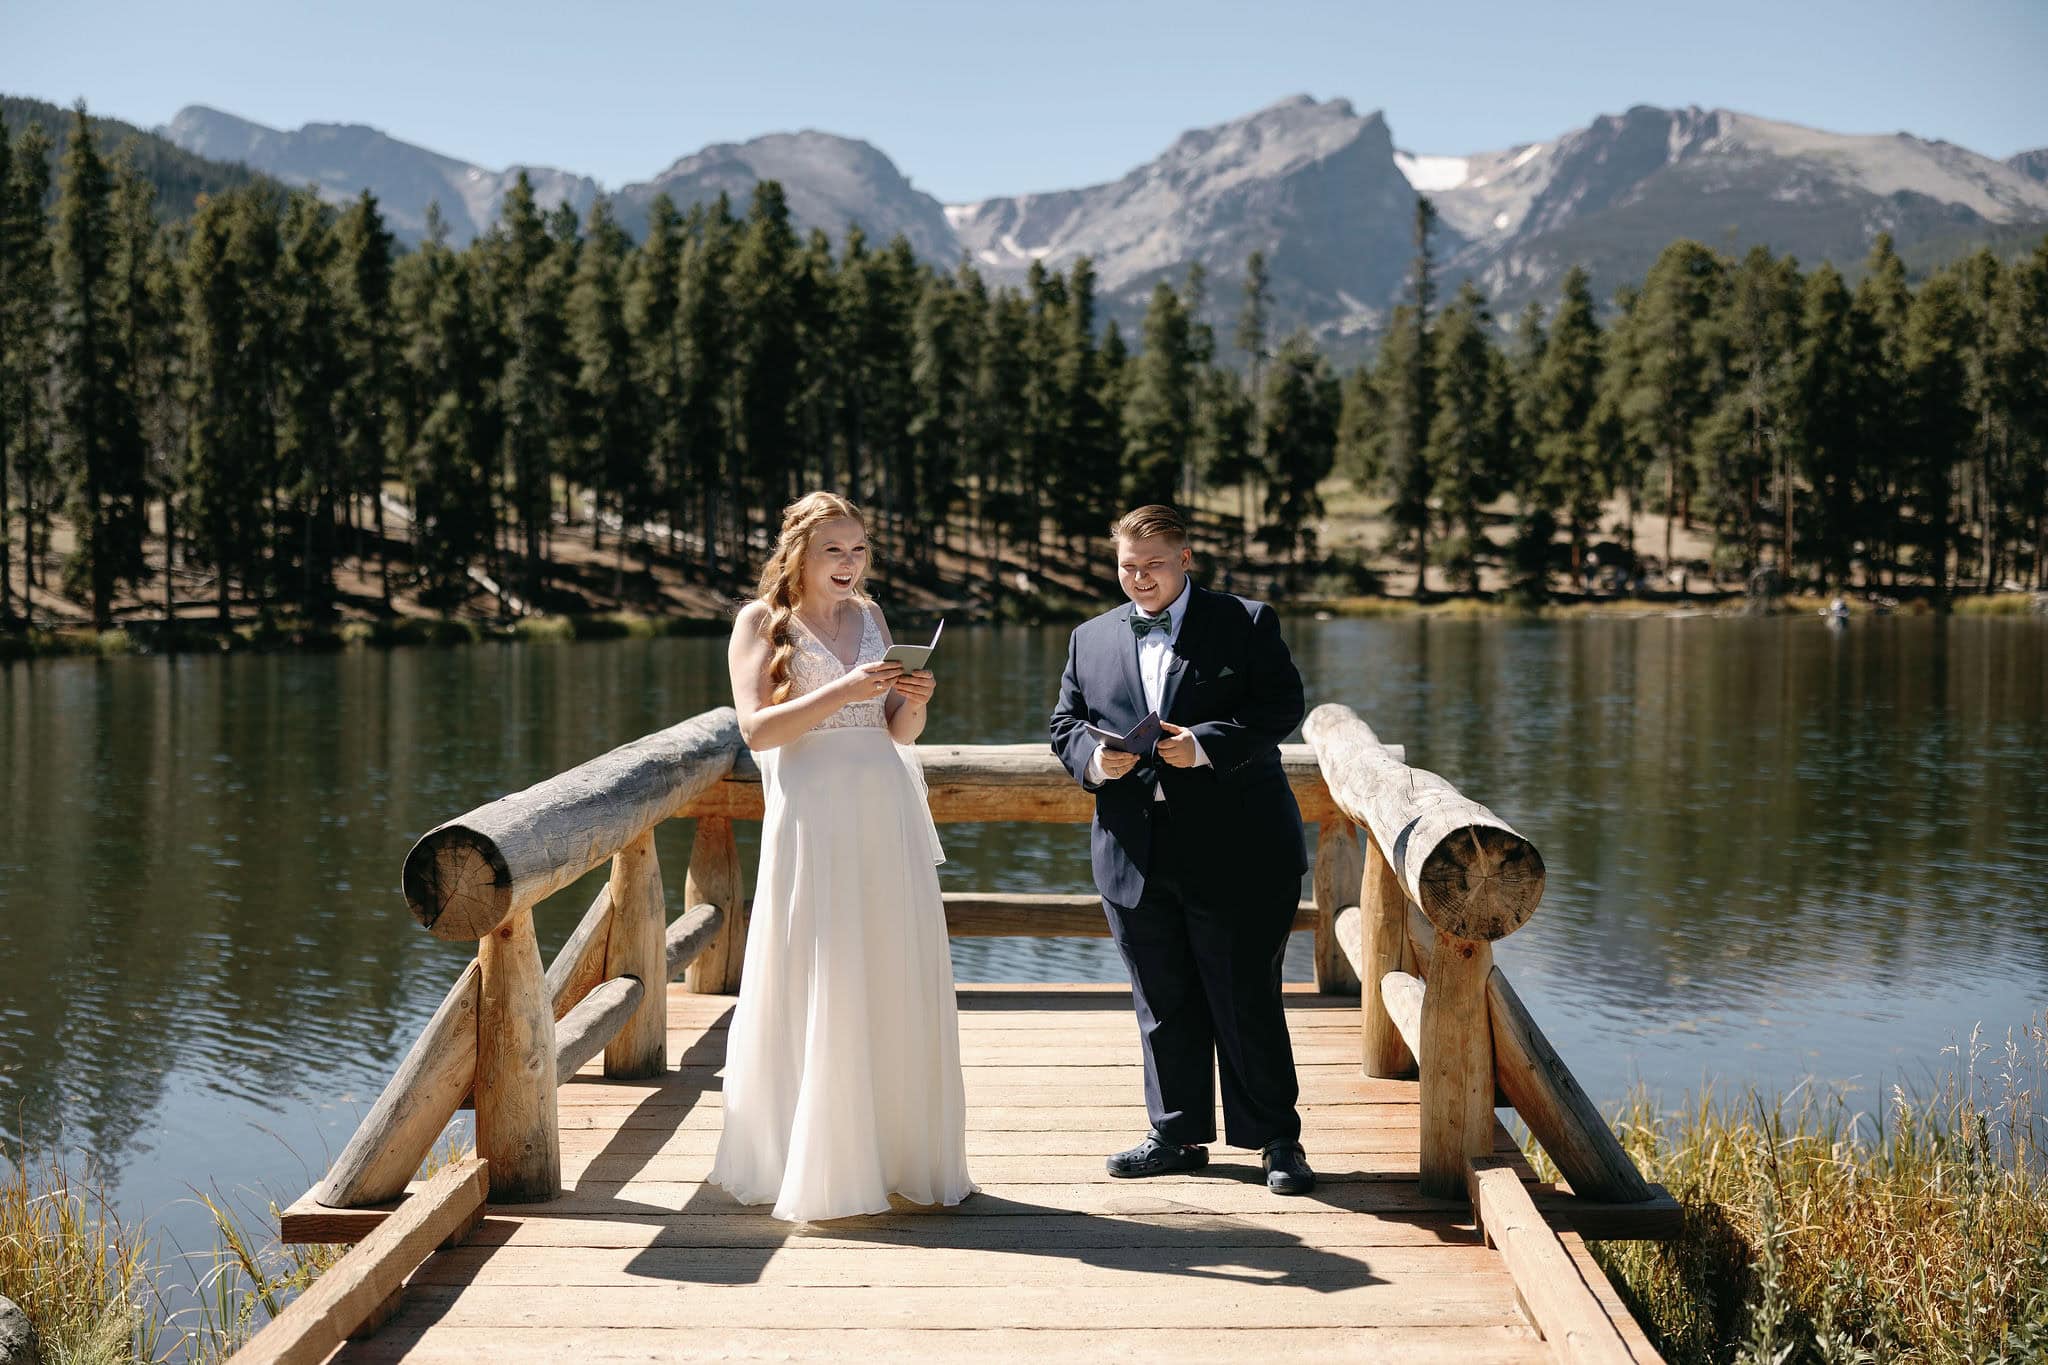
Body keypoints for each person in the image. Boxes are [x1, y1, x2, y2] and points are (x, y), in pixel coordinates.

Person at [709, 491, 976, 1221]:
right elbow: (759, 731)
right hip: (815, 815)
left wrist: (915, 696)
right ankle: (818, 1160)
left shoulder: (871, 617)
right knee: (822, 964)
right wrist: (847, 690)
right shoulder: (761, 623)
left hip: (883, 808)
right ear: (798, 552)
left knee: (886, 963)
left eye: (858, 550)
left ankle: (892, 1150)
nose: (849, 564)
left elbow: (897, 732)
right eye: (834, 550)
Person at [1048, 504, 1315, 1195]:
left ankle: (1277, 1141)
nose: (1139, 579)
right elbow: (1065, 724)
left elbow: (1281, 706)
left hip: (1240, 851)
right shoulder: (1089, 636)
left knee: (1245, 995)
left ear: (1186, 558)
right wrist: (1091, 761)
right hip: (1133, 850)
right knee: (1161, 998)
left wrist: (1203, 745)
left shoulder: (1246, 621)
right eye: (1127, 567)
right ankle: (1176, 1131)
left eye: (1154, 565)